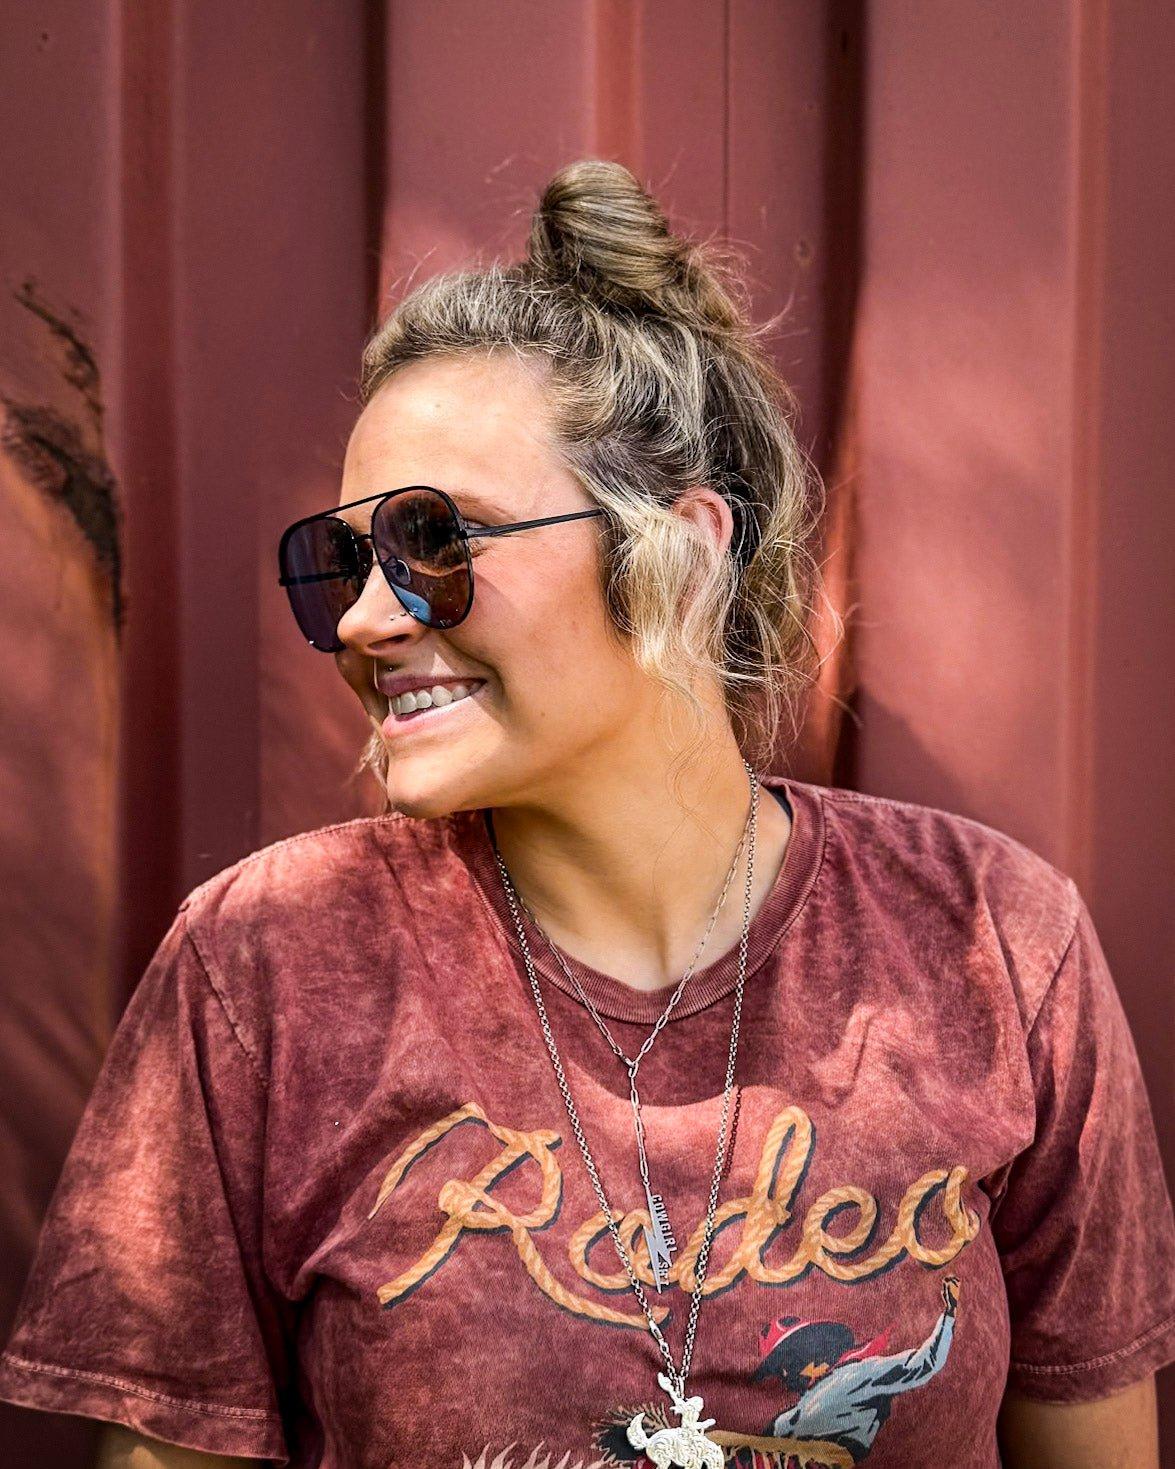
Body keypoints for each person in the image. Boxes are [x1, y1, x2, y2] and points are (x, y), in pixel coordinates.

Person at [1, 159, 1172, 1469]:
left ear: (683, 551)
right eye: (342, 562)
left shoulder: (991, 943)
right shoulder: (266, 970)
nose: (367, 618)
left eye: (437, 544)